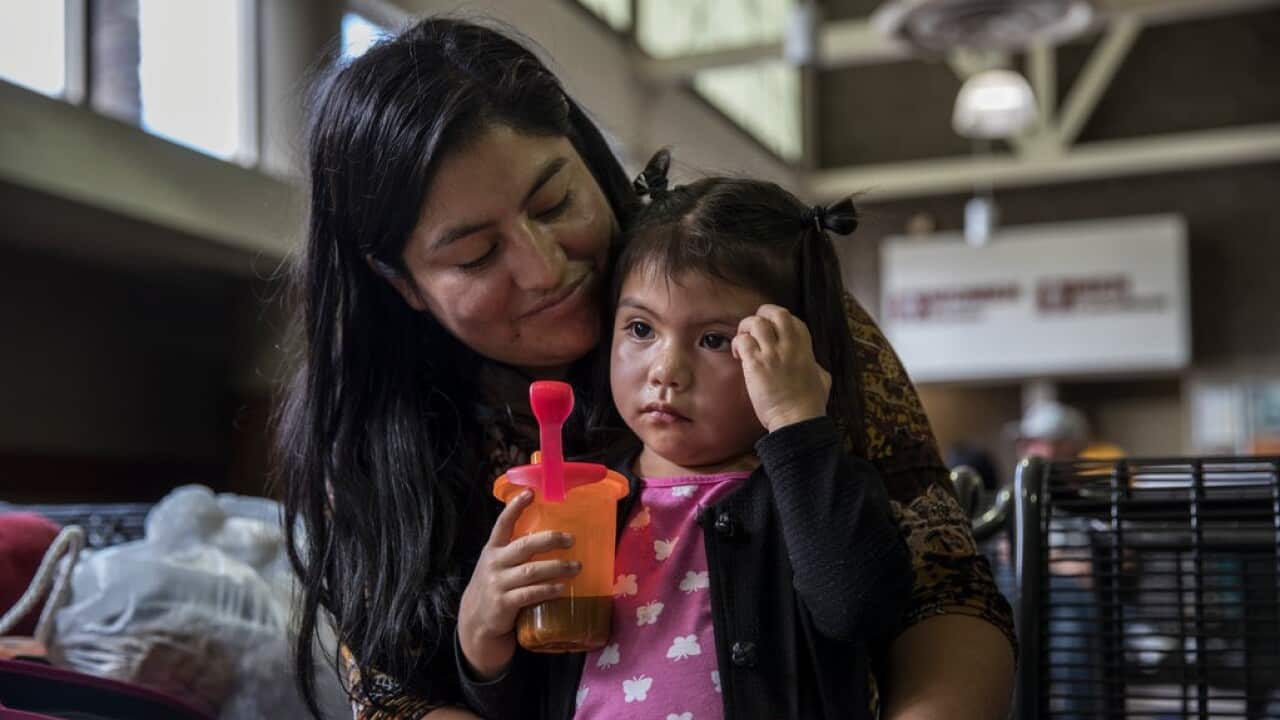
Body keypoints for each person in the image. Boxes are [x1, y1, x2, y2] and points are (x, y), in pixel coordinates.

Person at [278, 16, 1015, 720]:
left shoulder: (762, 315)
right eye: (476, 255)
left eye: (554, 203)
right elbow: (396, 693)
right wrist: (482, 635)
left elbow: (942, 584)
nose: (544, 269)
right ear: (401, 283)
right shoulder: (372, 442)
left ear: (587, 159)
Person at [457, 156, 912, 718]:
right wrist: (481, 636)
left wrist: (797, 422)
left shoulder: (816, 493)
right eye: (640, 329)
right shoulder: (581, 500)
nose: (666, 370)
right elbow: (527, 696)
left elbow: (860, 611)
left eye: (715, 340)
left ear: (794, 354)